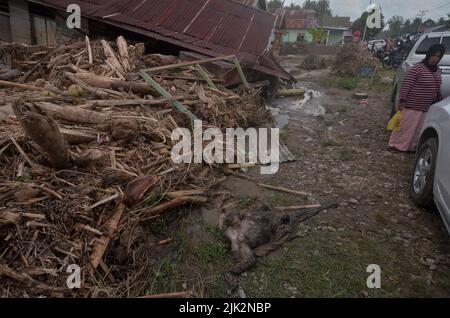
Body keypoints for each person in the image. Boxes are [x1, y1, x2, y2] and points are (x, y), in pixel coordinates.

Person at [389, 44, 446, 152]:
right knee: (406, 127)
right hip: (412, 105)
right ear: (429, 55)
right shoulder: (417, 68)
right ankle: (396, 145)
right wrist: (403, 100)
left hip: (426, 107)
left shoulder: (437, 70)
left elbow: (437, 87)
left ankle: (411, 147)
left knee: (418, 129)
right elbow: (407, 85)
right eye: (433, 55)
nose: (435, 58)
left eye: (438, 56)